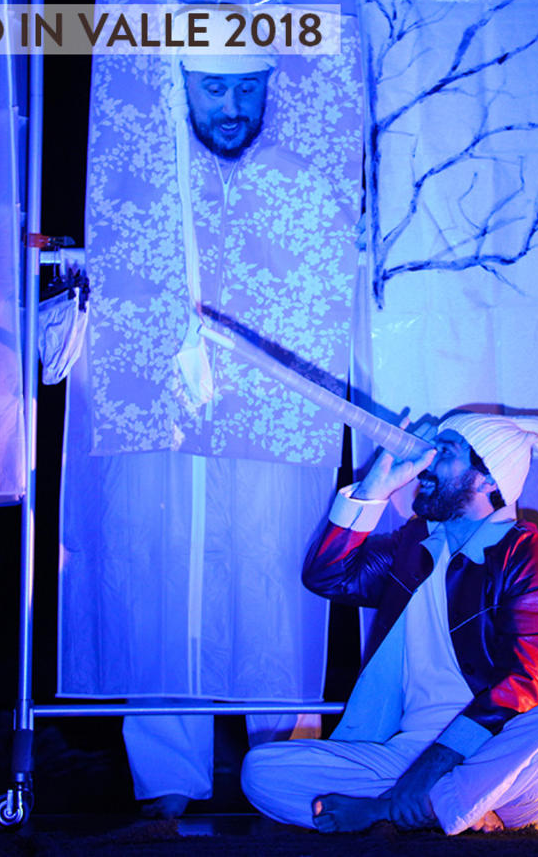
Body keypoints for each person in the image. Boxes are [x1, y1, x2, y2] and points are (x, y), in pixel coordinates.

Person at [60, 45, 359, 819]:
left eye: (246, 89)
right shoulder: (144, 179)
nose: (231, 108)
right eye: (214, 88)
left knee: (273, 566)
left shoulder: (298, 177)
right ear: (183, 88)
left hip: (272, 406)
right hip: (165, 400)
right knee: (160, 571)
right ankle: (167, 777)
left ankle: (286, 763)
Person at [240, 412, 538, 833]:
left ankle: (387, 812)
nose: (424, 464)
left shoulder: (529, 554)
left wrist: (429, 771)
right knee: (260, 770)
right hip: (405, 759)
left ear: (487, 479)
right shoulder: (414, 546)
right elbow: (328, 575)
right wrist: (373, 489)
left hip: (496, 758)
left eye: (444, 453)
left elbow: (525, 683)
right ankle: (449, 810)